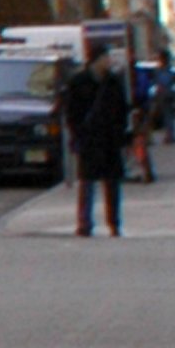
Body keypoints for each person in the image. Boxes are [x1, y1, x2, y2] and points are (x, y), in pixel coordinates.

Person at [63, 49, 134, 238]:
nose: (109, 61)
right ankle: (84, 223)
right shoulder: (79, 82)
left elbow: (122, 109)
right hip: (89, 140)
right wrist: (78, 133)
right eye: (106, 57)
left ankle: (114, 223)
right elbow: (71, 111)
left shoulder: (113, 82)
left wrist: (122, 135)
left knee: (112, 184)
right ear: (96, 60)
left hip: (110, 140)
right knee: (87, 183)